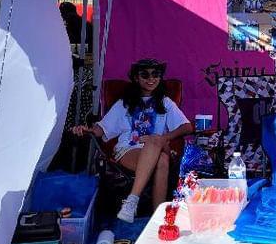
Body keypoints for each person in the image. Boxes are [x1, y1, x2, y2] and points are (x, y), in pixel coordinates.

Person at [72, 58, 193, 221]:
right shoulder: (124, 103)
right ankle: (157, 217)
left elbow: (187, 127)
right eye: (145, 75)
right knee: (162, 160)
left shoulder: (165, 102)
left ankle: (133, 202)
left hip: (158, 146)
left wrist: (163, 138)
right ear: (136, 78)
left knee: (155, 143)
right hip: (129, 150)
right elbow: (101, 129)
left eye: (155, 74)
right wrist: (86, 130)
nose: (151, 79)